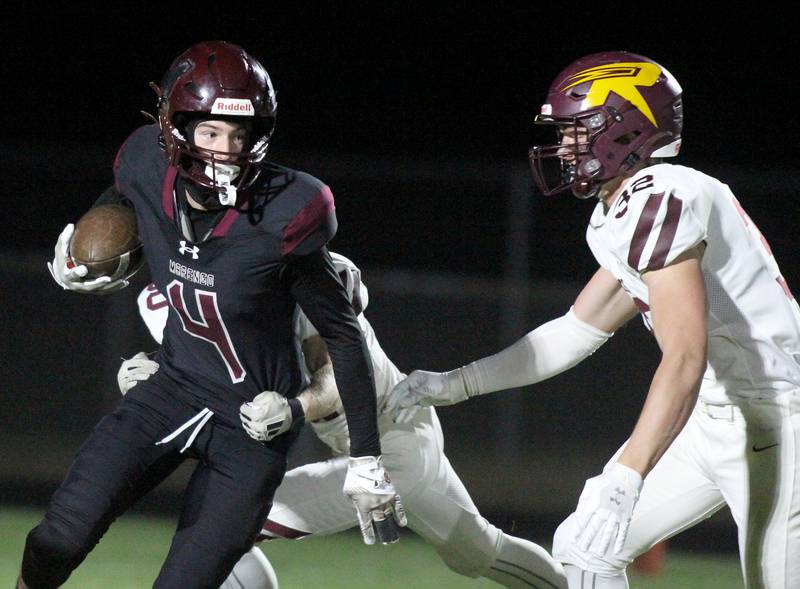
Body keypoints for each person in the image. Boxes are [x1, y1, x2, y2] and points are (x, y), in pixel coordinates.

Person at [387, 51, 800, 589]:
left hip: (779, 421)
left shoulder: (665, 195)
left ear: (625, 131)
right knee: (584, 546)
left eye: (578, 130)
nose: (564, 145)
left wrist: (627, 474)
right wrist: (456, 383)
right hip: (718, 419)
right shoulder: (622, 211)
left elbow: (685, 357)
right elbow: (572, 332)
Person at [22, 40, 404, 589]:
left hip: (251, 424)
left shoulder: (284, 212)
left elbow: (344, 338)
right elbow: (122, 198)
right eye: (210, 132)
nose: (225, 149)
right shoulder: (144, 163)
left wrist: (367, 460)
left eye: (240, 133)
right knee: (55, 539)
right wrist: (81, 249)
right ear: (174, 129)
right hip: (171, 389)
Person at [119, 252, 569, 589]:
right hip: (403, 438)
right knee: (478, 553)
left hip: (390, 453)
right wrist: (156, 369)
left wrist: (293, 408)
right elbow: (213, 356)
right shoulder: (237, 292)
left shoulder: (313, 301)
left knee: (223, 526)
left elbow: (333, 380)